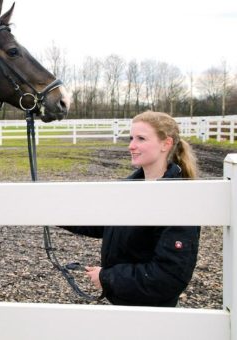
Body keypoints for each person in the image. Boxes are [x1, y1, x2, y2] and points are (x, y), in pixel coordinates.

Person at [62, 111, 201, 307]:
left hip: (152, 312)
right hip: (124, 303)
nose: (131, 146)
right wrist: (54, 212)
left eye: (141, 139)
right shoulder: (130, 189)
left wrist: (107, 277)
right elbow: (102, 222)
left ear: (165, 144)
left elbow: (168, 277)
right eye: (131, 138)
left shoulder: (178, 200)